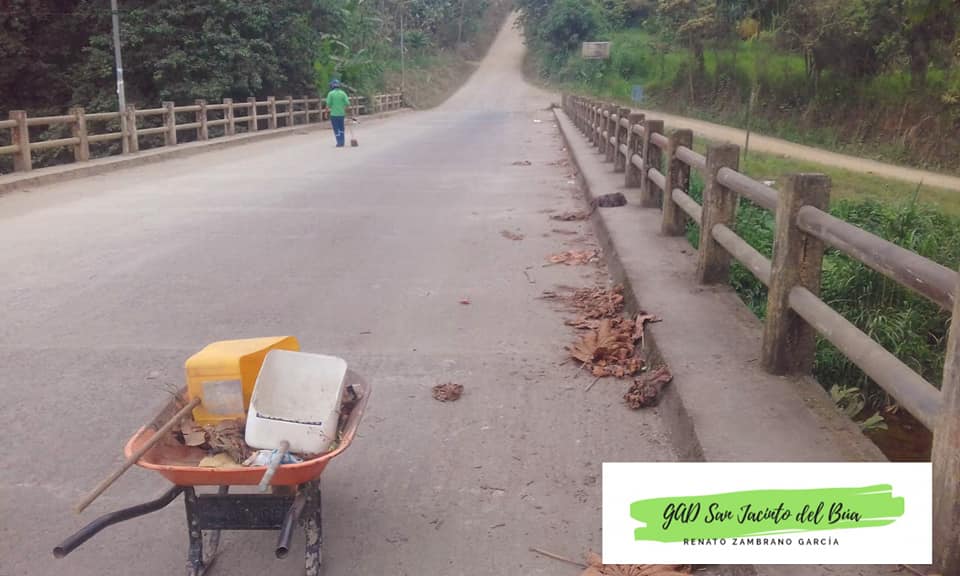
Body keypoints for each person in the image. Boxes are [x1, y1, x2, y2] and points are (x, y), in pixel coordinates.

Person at [325, 79, 350, 148]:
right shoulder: (343, 93)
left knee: (336, 128)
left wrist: (326, 113)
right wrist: (345, 109)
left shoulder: (330, 94)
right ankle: (342, 141)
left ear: (332, 86)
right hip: (341, 114)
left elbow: (328, 105)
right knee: (341, 128)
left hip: (334, 114)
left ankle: (339, 142)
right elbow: (348, 103)